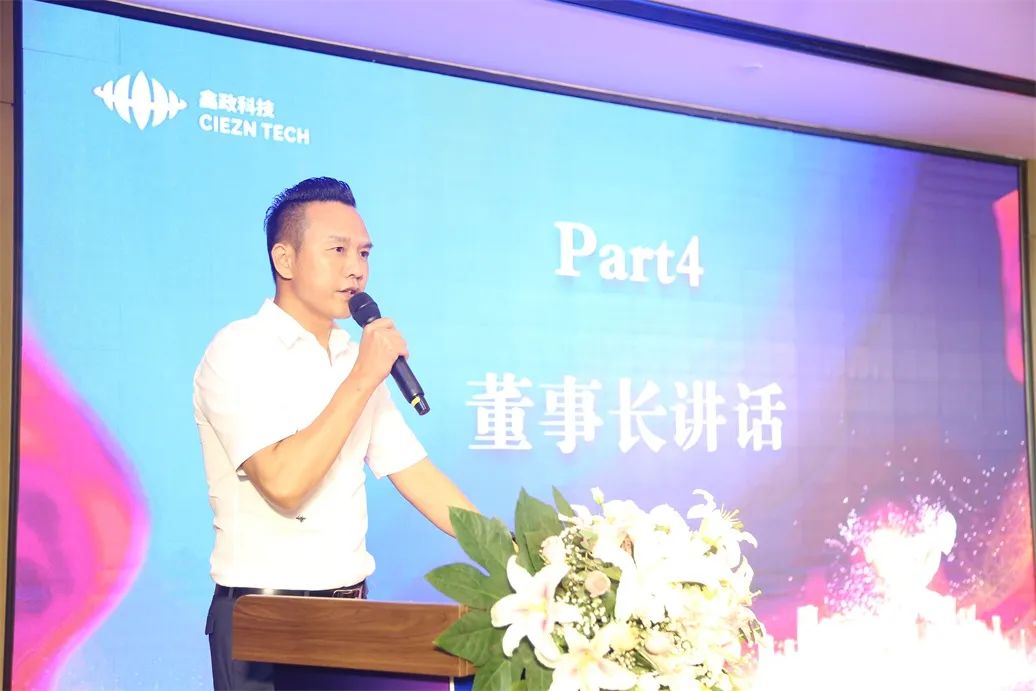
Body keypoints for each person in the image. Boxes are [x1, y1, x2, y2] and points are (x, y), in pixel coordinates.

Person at [193, 176, 477, 690]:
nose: (356, 268)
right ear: (284, 259)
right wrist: (363, 377)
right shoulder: (239, 350)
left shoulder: (351, 355)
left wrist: (515, 552)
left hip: (350, 617)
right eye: (338, 250)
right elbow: (284, 483)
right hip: (264, 624)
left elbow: (415, 473)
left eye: (364, 253)